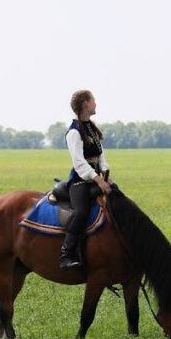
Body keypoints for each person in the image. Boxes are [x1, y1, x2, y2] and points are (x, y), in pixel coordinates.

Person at [60, 90, 112, 270]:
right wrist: (98, 180)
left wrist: (105, 174)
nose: (96, 103)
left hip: (98, 178)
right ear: (85, 104)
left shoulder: (91, 127)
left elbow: (100, 154)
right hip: (80, 181)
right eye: (93, 100)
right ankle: (66, 254)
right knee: (81, 212)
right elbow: (80, 163)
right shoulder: (74, 132)